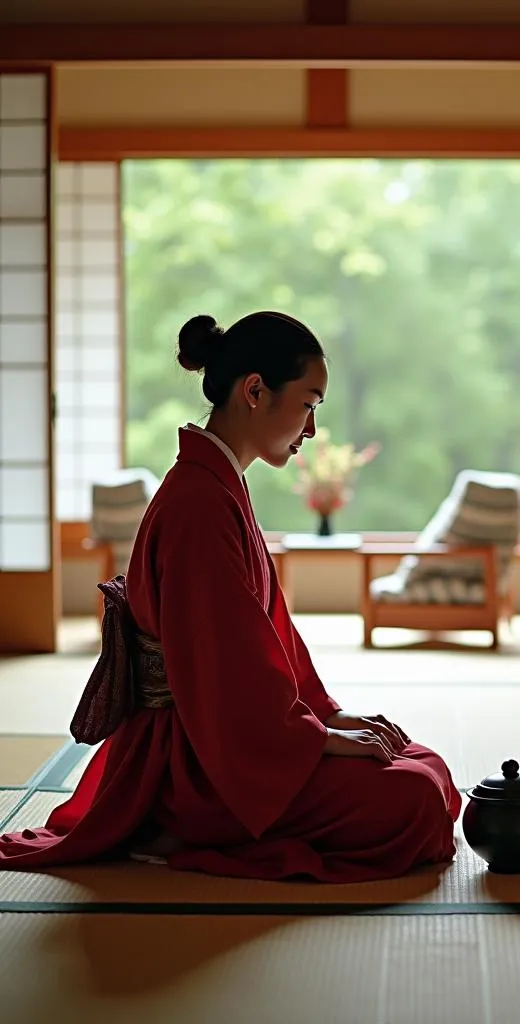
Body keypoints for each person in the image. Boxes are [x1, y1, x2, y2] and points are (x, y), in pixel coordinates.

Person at [0, 311, 461, 882]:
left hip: (238, 740)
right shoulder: (199, 504)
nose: (312, 430)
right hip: (198, 762)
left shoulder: (218, 486)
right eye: (309, 404)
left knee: (424, 765)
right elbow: (227, 677)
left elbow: (267, 646)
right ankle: (169, 826)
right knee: (413, 799)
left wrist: (333, 718)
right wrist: (321, 741)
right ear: (254, 391)